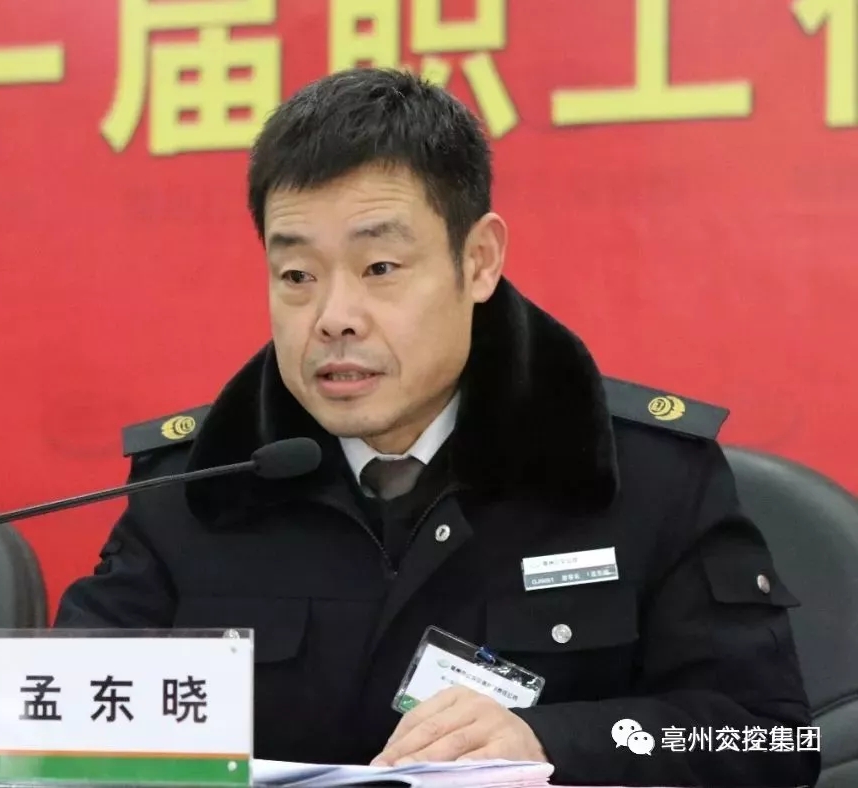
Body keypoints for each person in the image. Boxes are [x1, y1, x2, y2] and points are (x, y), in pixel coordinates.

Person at [55, 67, 819, 787]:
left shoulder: (641, 476)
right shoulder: (197, 489)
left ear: (478, 260)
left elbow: (769, 740)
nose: (334, 318)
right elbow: (56, 737)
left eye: (380, 269)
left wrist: (551, 744)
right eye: (297, 277)